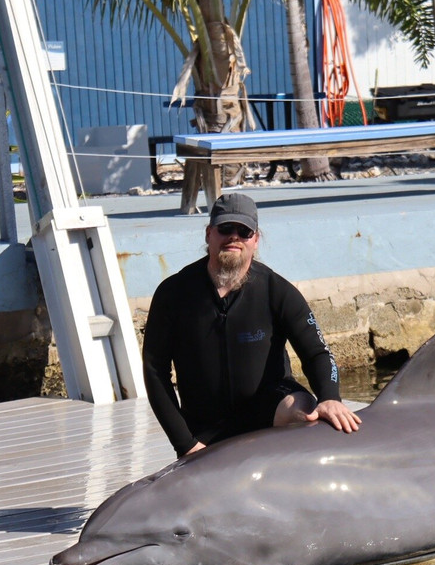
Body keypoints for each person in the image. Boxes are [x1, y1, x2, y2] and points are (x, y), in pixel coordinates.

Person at [142, 192, 362, 457]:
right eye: (225, 229)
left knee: (304, 408)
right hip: (205, 425)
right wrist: (185, 443)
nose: (234, 237)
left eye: (244, 231)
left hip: (268, 411)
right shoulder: (173, 293)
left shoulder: (276, 290)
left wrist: (330, 397)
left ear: (256, 240)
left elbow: (317, 352)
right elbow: (155, 371)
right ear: (209, 233)